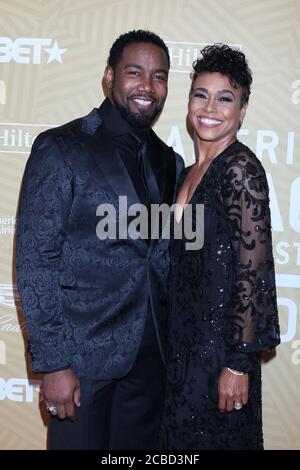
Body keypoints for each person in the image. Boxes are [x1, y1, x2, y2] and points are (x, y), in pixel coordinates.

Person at [16, 29, 184, 450]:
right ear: (109, 76)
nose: (148, 86)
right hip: (81, 362)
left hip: (150, 363)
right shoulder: (62, 147)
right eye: (135, 72)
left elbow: (162, 259)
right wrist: (53, 363)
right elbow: (36, 260)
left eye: (159, 76)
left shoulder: (171, 161)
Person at [160, 44, 281, 450]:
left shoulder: (241, 169)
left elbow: (255, 272)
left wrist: (238, 364)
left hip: (219, 359)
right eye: (200, 94)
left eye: (224, 98)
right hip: (180, 352)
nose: (210, 107)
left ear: (242, 110)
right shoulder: (187, 172)